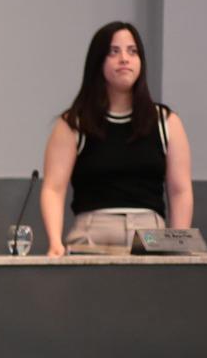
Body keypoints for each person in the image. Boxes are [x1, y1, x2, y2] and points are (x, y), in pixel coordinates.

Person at [39, 21, 192, 257]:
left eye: (132, 52)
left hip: (150, 232)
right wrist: (54, 241)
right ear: (98, 61)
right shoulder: (74, 123)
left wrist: (179, 246)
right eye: (114, 52)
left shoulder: (166, 122)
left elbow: (180, 191)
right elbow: (53, 188)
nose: (124, 59)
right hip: (92, 232)